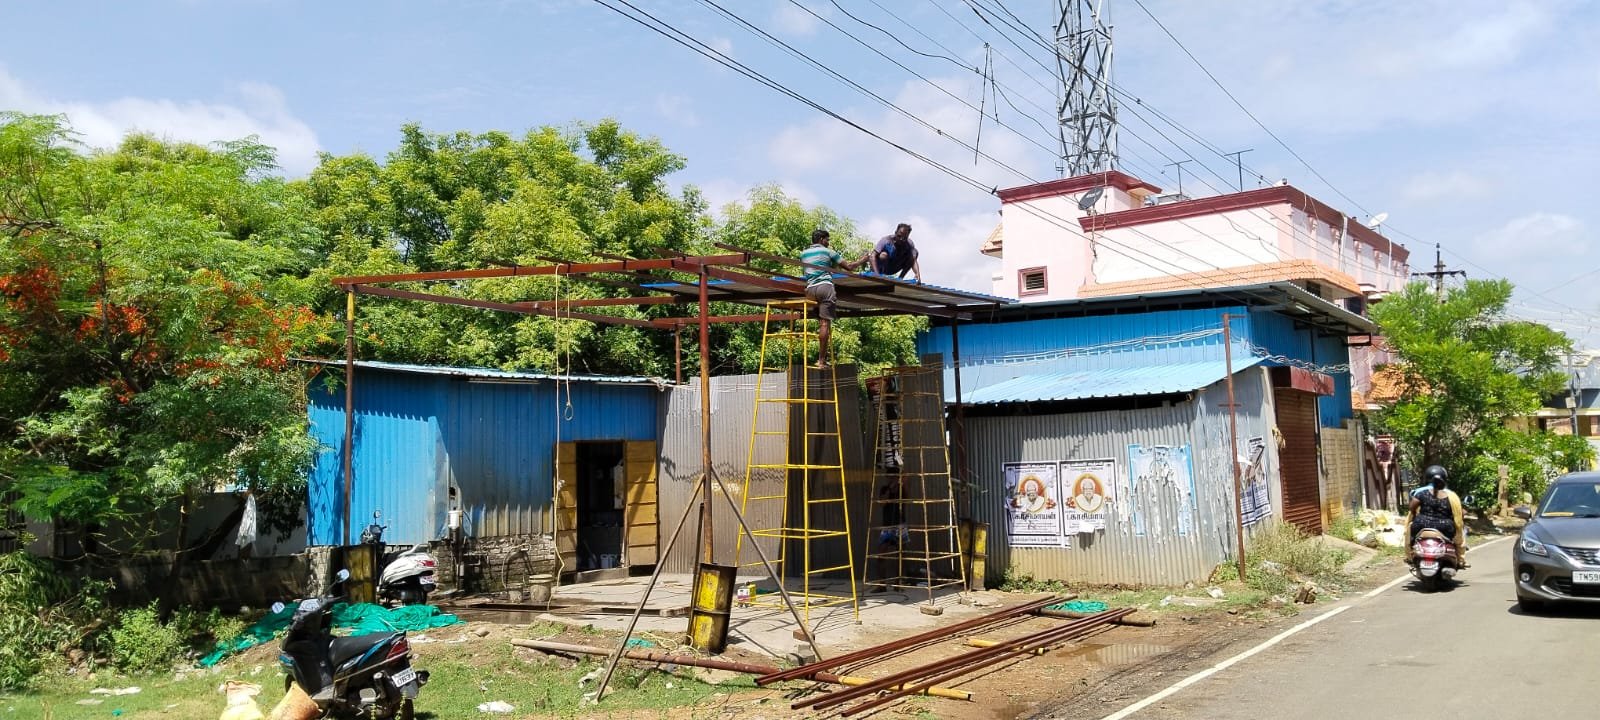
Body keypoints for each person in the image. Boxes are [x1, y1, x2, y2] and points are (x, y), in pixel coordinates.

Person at [799, 229, 863, 370]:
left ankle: (820, 357)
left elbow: (813, 270)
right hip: (825, 288)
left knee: (820, 322)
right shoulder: (828, 252)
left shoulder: (803, 254)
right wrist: (863, 260)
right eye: (827, 240)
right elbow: (849, 267)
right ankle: (821, 361)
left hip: (809, 290)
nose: (828, 243)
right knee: (824, 324)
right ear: (822, 239)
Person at [1407, 465, 1467, 566]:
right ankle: (1461, 559)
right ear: (1444, 479)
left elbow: (1411, 507)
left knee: (1408, 533)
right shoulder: (1451, 495)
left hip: (1421, 525)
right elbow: (1460, 513)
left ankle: (1409, 556)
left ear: (1427, 478)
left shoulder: (1420, 492)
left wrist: (1415, 514)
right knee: (1460, 537)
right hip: (1445, 527)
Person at [872, 477, 907, 592]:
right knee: (881, 554)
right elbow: (882, 502)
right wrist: (889, 489)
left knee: (900, 555)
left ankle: (898, 584)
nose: (891, 479)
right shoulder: (884, 488)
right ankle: (882, 584)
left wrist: (901, 485)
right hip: (887, 526)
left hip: (900, 525)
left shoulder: (901, 489)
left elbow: (906, 499)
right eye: (889, 476)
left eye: (893, 476)